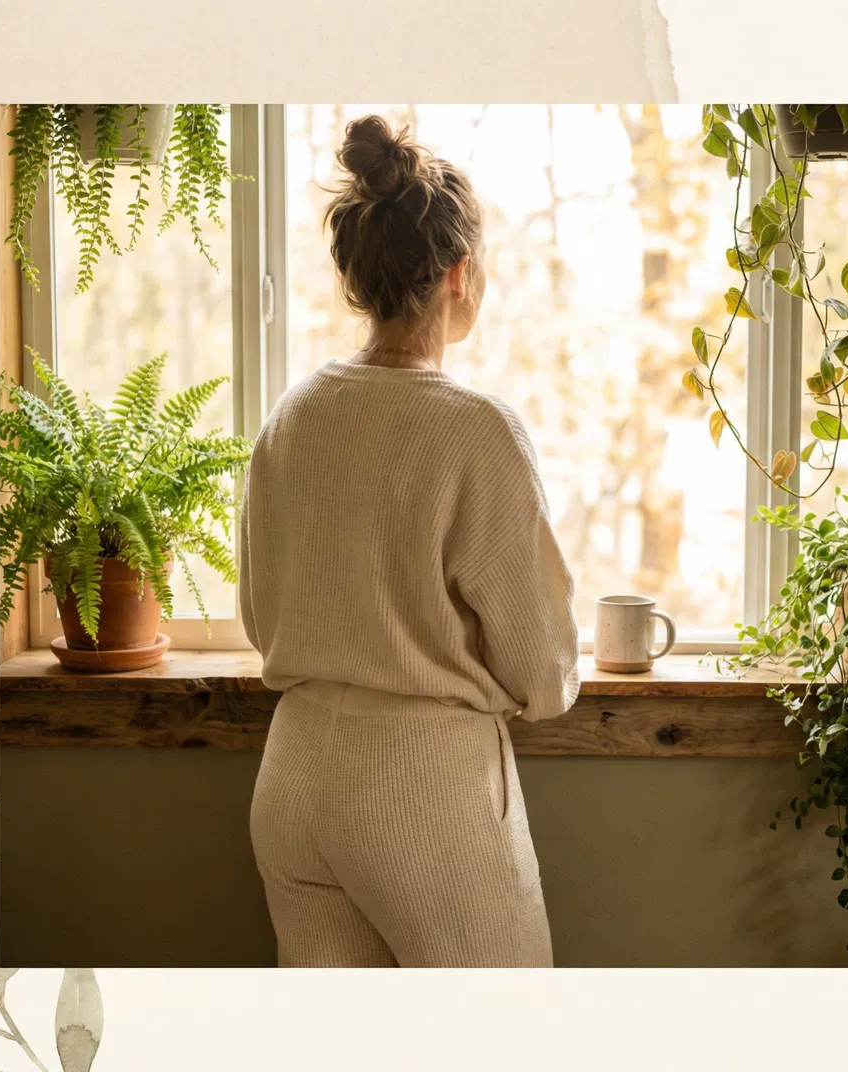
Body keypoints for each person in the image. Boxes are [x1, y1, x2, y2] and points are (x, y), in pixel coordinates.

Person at [240, 115, 579, 968]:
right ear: (459, 275)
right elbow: (538, 665)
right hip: (424, 788)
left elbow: (260, 613)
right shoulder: (477, 432)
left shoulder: (291, 419)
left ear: (355, 275)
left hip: (296, 773)